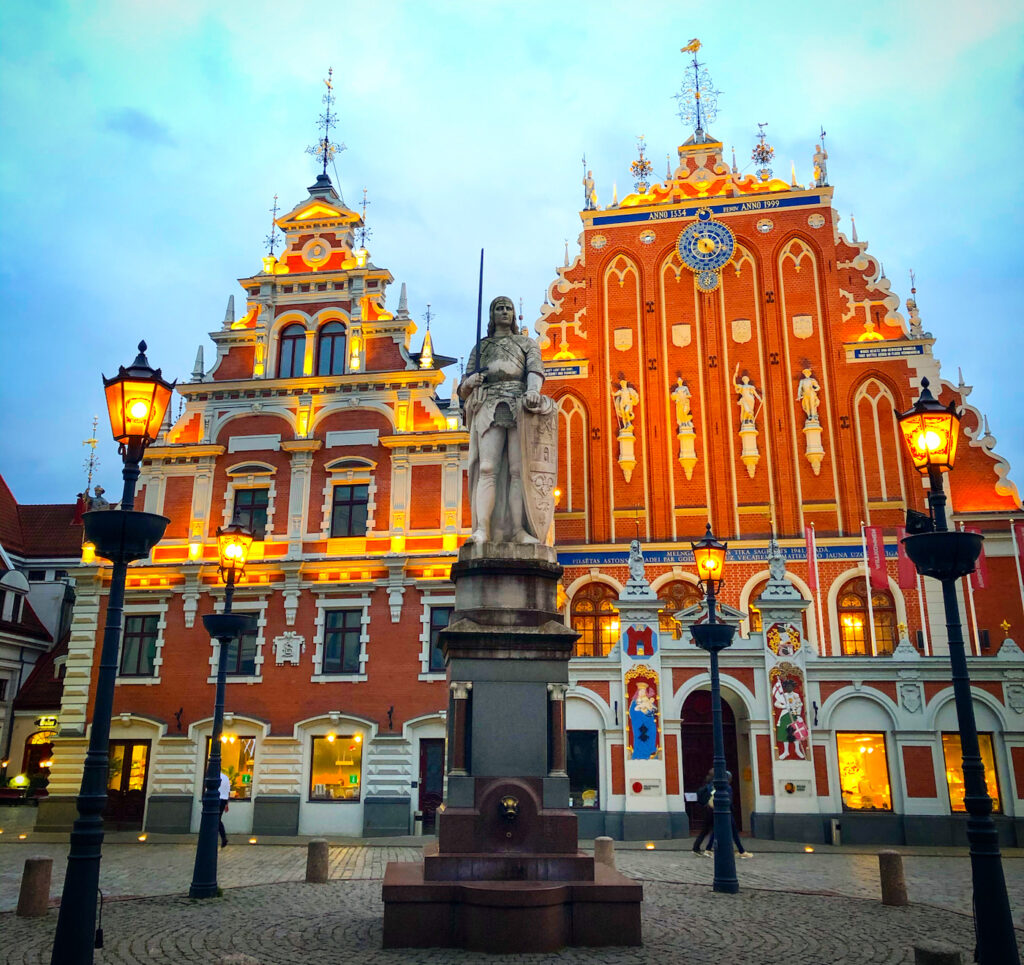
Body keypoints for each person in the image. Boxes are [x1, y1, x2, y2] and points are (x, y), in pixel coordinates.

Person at [458, 296, 549, 545]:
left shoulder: (526, 343)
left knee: (518, 471)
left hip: (520, 404)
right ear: (492, 314)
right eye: (500, 308)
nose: (505, 312)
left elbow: (535, 371)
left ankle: (518, 529)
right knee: (487, 468)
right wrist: (469, 382)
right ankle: (482, 530)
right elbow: (463, 388)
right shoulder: (482, 347)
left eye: (508, 308)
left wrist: (532, 390)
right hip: (490, 404)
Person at [704, 770, 753, 858]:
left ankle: (708, 849)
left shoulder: (715, 786)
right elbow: (728, 801)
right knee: (733, 831)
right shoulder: (727, 787)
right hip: (726, 812)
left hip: (717, 811)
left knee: (716, 831)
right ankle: (742, 851)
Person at [692, 769, 715, 854]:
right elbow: (713, 794)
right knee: (714, 830)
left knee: (705, 830)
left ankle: (696, 847)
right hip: (711, 809)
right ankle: (708, 849)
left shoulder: (706, 783)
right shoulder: (712, 785)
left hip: (705, 809)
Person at [218, 771, 230, 848]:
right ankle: (223, 838)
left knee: (216, 819)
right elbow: (228, 791)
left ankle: (223, 837)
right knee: (217, 819)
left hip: (216, 799)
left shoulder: (214, 777)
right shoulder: (226, 777)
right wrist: (227, 804)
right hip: (223, 800)